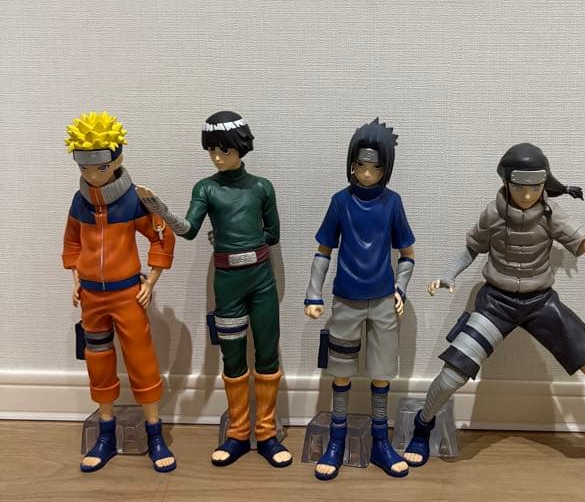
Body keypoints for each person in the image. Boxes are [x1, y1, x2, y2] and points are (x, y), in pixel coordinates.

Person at [403, 142, 585, 480]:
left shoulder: (551, 214)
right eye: (520, 186)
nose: (529, 194)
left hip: (540, 302)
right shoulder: (493, 213)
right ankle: (422, 427)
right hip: (496, 302)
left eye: (536, 186)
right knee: (452, 375)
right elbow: (472, 248)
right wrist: (449, 274)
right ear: (506, 181)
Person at [137, 111, 291, 469]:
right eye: (212, 151)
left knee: (267, 354)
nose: (218, 158)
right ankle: (238, 432)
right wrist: (162, 211)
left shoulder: (262, 187)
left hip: (262, 281)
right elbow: (189, 230)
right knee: (232, 357)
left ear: (241, 147)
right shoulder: (205, 188)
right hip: (227, 283)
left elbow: (273, 234)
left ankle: (266, 432)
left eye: (224, 150)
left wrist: (235, 241)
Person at [63, 111, 177, 473]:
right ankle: (106, 432)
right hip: (91, 298)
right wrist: (76, 278)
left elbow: (162, 236)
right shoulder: (80, 201)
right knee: (98, 361)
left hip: (127, 294)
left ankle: (155, 433)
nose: (92, 175)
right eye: (84, 166)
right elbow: (72, 241)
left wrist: (151, 281)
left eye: (99, 166)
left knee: (141, 360)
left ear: (116, 160)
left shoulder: (133, 200)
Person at [305, 119, 415, 481]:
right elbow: (323, 250)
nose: (367, 173)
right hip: (346, 299)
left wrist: (400, 288)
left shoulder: (392, 203)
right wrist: (313, 293)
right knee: (340, 373)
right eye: (360, 165)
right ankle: (336, 440)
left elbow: (407, 254)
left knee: (381, 374)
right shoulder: (340, 202)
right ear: (351, 163)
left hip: (383, 300)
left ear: (386, 168)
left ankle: (381, 441)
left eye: (375, 166)